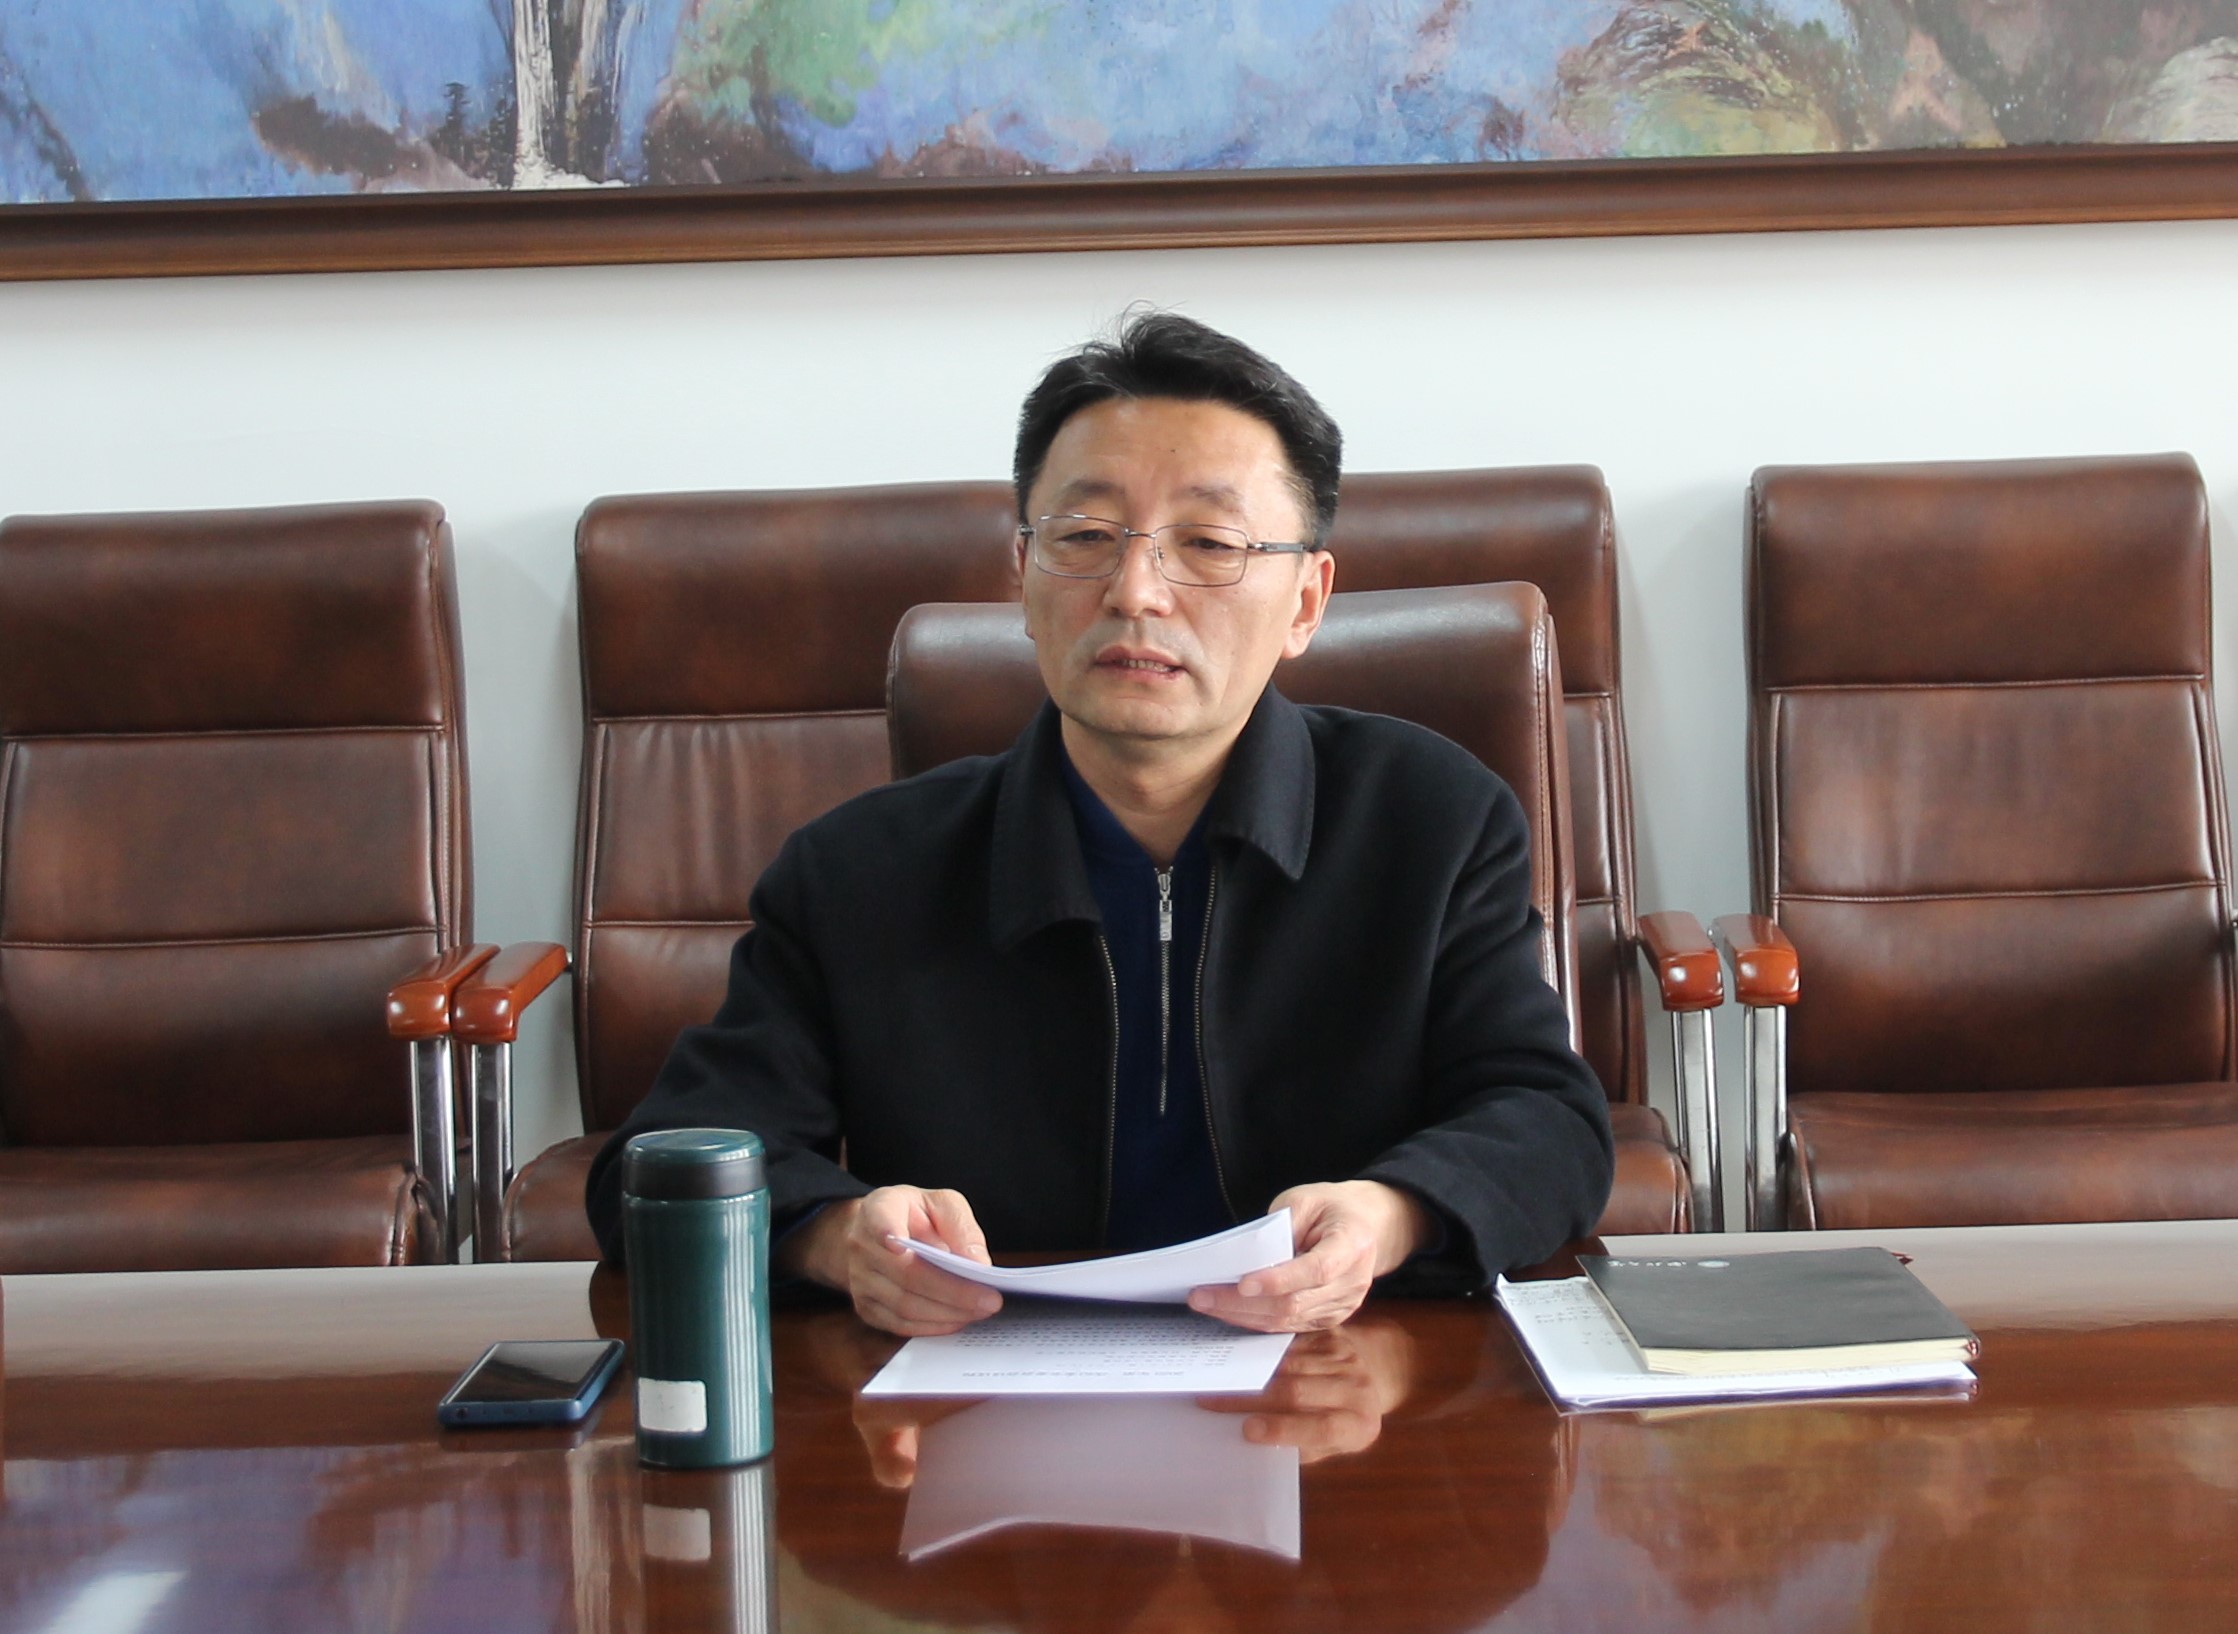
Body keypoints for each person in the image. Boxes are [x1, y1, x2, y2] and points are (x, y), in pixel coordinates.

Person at [587, 311, 1611, 1335]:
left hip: (1331, 1376)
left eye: (1208, 543)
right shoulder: (859, 870)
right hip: (982, 1386)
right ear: (1023, 576)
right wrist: (835, 1233)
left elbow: (1548, 1122)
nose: (1136, 592)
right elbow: (658, 1163)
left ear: (1307, 599)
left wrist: (1392, 1215)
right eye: (1085, 538)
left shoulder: (1430, 821)